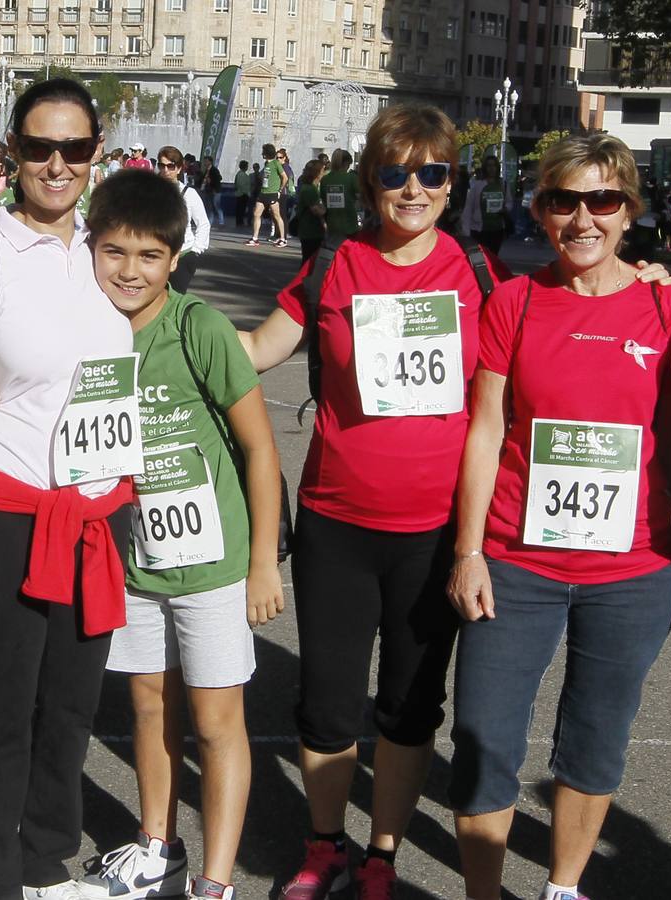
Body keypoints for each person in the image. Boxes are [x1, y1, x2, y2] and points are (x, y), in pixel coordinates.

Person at [238, 105, 492, 899]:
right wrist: (142, 318)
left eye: (430, 173)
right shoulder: (333, 267)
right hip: (337, 526)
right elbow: (250, 351)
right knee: (325, 703)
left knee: (411, 709)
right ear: (369, 182)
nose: (411, 188)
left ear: (451, 183)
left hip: (433, 534)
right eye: (393, 173)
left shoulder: (479, 276)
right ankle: (323, 845)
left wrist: (657, 283)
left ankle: (381, 854)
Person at [445, 134, 671, 900]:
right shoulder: (513, 299)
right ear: (541, 212)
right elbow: (485, 429)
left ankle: (562, 888)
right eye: (562, 201)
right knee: (483, 736)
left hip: (633, 569)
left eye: (602, 201)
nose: (582, 219)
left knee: (593, 739)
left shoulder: (668, 304)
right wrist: (467, 550)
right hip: (516, 562)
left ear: (628, 212)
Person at [0, 77, 137, 900]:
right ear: (9, 152)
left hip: (97, 514)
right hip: (10, 513)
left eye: (75, 149)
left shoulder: (108, 252)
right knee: (1, 712)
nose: (56, 165)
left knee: (70, 709)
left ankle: (46, 857)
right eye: (38, 148)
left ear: (97, 153)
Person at [73, 169, 284, 900]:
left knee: (217, 719)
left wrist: (263, 562)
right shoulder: (83, 333)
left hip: (214, 565)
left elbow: (259, 448)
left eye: (149, 256)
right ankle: (155, 843)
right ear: (90, 249)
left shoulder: (198, 327)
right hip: (133, 565)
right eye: (114, 253)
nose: (129, 271)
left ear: (173, 259)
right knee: (147, 708)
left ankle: (216, 879)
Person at [156, 145, 210, 293]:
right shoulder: (151, 191)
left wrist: (195, 251)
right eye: (162, 165)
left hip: (183, 256)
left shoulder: (189, 193)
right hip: (156, 255)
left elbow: (203, 223)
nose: (166, 170)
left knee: (174, 298)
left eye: (171, 166)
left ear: (179, 168)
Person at [461, 156, 507, 255]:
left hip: (497, 229)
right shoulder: (477, 185)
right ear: (484, 168)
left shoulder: (502, 184)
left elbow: (509, 202)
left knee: (493, 257)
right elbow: (468, 208)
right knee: (481, 258)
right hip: (479, 229)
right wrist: (466, 231)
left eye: (494, 165)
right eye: (489, 165)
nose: (491, 168)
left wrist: (505, 209)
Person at [247, 144, 288, 247]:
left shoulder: (276, 163)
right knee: (256, 213)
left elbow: (285, 177)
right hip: (263, 193)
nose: (262, 153)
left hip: (272, 194)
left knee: (276, 216)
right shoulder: (266, 164)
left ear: (266, 153)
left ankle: (283, 239)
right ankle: (255, 238)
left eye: (263, 152)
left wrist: (279, 190)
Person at [320, 149, 361, 244]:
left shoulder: (325, 179)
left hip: (331, 224)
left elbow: (323, 199)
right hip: (349, 224)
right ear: (346, 163)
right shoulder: (351, 178)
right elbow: (362, 197)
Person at [293, 159, 328, 262]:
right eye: (322, 171)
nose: (323, 173)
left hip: (307, 230)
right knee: (309, 260)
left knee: (308, 259)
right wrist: (327, 211)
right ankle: (305, 278)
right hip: (311, 230)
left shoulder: (309, 187)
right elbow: (315, 210)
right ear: (316, 173)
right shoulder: (310, 190)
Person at [201, 159, 224, 227]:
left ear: (210, 162)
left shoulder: (214, 170)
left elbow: (218, 178)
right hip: (208, 190)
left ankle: (221, 221)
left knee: (216, 206)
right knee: (210, 206)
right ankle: (210, 221)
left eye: (206, 161)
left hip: (214, 191)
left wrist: (213, 186)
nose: (205, 162)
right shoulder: (206, 170)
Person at [232, 161, 252, 231]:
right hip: (242, 194)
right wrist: (247, 193)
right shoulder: (242, 175)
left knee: (241, 209)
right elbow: (241, 185)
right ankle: (239, 222)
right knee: (240, 209)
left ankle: (240, 221)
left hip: (242, 194)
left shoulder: (241, 174)